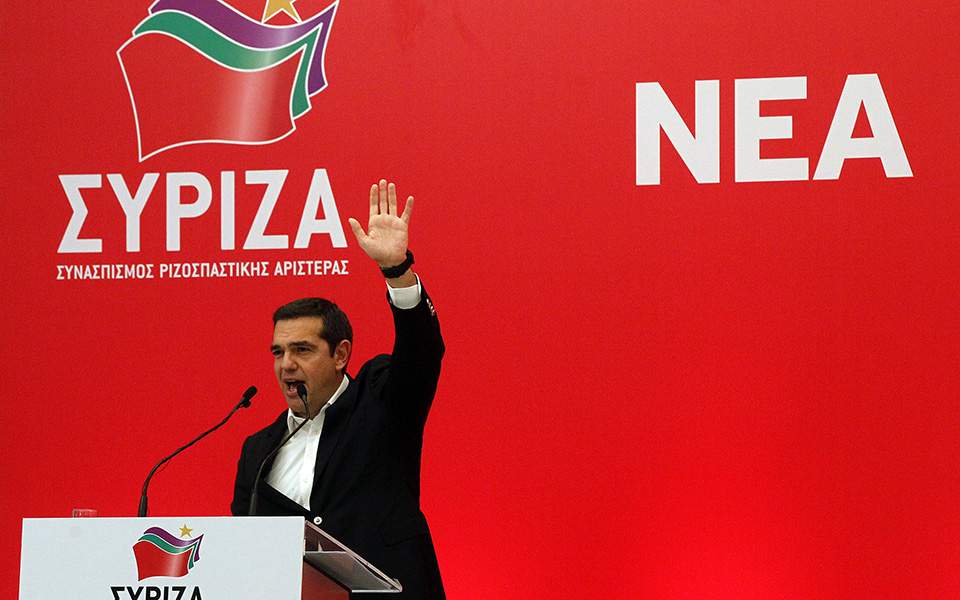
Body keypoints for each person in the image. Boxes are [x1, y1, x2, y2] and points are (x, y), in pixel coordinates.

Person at [231, 179, 445, 599]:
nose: (286, 364)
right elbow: (245, 549)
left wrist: (397, 271)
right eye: (278, 352)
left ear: (340, 354)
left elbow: (421, 353)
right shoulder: (259, 452)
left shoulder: (380, 404)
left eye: (302, 350)